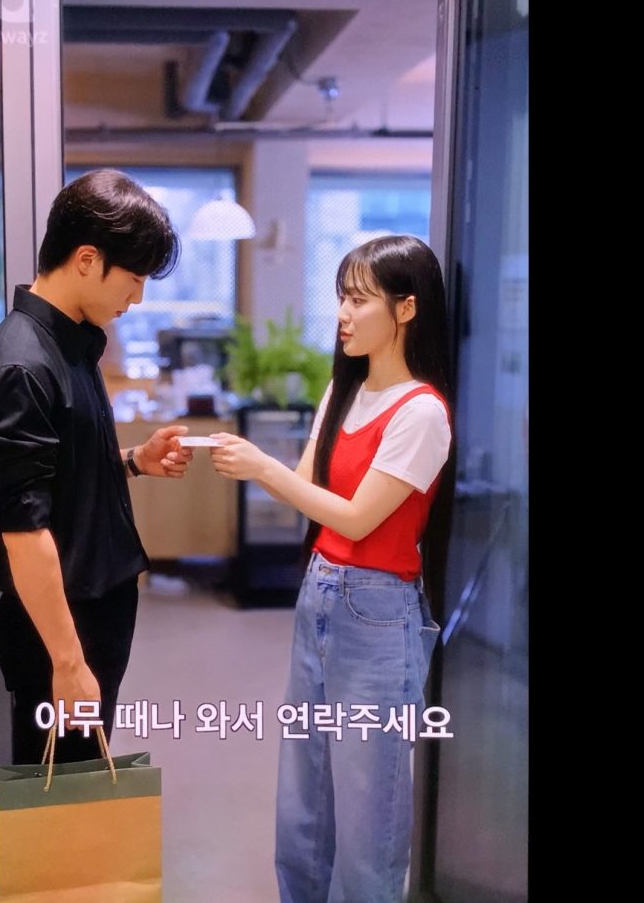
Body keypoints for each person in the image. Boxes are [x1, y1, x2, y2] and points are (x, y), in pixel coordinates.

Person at [210, 235, 456, 903]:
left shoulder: (422, 411)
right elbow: (307, 486)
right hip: (320, 592)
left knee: (369, 814)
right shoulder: (342, 390)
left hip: (377, 612)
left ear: (406, 308)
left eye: (358, 299)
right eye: (340, 298)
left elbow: (353, 519)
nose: (342, 314)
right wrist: (265, 469)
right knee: (303, 806)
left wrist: (261, 467)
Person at [0, 168, 194, 765]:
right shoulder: (21, 365)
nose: (137, 298)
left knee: (81, 788)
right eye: (134, 278)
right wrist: (67, 662)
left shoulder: (72, 341)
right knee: (62, 798)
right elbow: (23, 531)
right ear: (88, 259)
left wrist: (135, 461)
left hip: (91, 612)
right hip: (59, 627)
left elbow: (58, 473)